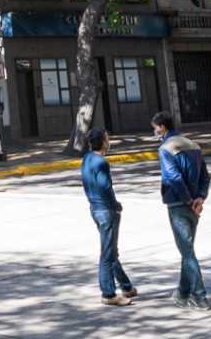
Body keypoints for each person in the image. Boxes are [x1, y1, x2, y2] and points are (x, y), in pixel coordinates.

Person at [151, 111, 211, 311]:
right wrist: (200, 198)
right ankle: (182, 293)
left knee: (187, 252)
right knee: (187, 250)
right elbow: (205, 177)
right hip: (195, 205)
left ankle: (200, 296)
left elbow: (174, 178)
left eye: (155, 128)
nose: (155, 131)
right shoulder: (193, 145)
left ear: (162, 127)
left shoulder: (165, 149)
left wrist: (188, 200)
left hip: (179, 205)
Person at [80, 127, 137, 306]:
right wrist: (115, 206)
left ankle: (126, 286)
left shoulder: (86, 159)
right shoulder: (101, 162)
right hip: (106, 210)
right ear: (103, 142)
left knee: (111, 250)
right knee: (107, 253)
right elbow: (106, 188)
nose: (108, 141)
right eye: (107, 138)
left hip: (95, 208)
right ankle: (108, 293)